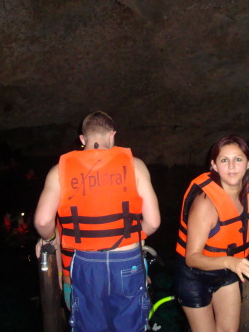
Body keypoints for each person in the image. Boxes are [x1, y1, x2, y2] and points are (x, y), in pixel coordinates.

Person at [34, 111, 161, 332]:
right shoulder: (135, 166)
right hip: (127, 258)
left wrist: (52, 238)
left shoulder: (59, 171)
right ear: (112, 136)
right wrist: (133, 235)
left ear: (82, 139)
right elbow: (153, 221)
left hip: (86, 262)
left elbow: (43, 221)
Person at [174, 134, 249, 332]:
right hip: (194, 276)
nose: (231, 167)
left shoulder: (244, 188)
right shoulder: (205, 204)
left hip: (227, 272)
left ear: (248, 164)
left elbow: (247, 202)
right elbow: (192, 258)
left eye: (238, 159)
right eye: (224, 160)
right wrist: (231, 262)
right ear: (214, 165)